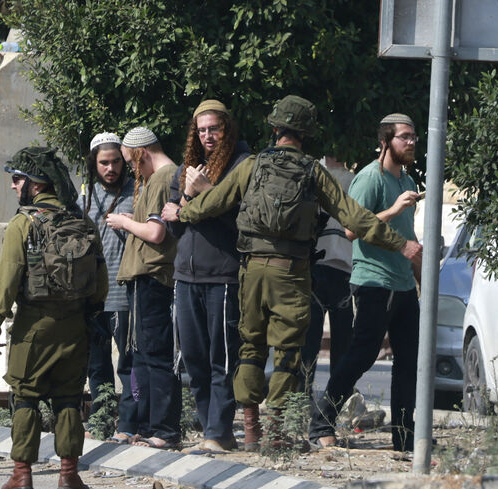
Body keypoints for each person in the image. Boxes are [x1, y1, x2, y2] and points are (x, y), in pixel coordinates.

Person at [161, 96, 422, 450]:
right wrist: (400, 244)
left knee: (250, 347)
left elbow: (215, 202)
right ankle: (276, 433)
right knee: (287, 352)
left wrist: (182, 211)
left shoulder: (251, 165)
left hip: (250, 271)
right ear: (306, 134)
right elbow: (354, 218)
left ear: (275, 129)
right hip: (292, 272)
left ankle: (250, 429)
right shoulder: (315, 173)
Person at [0, 147, 107, 489]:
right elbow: (100, 281)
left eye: (16, 179)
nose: (13, 186)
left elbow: (7, 276)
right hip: (75, 327)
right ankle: (68, 474)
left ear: (35, 184)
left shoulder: (23, 224)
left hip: (33, 326)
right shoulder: (82, 223)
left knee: (25, 396)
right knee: (69, 398)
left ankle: (22, 475)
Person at [309, 113, 423, 452]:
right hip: (372, 281)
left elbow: (409, 238)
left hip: (403, 285)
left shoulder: (407, 181)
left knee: (408, 362)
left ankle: (403, 438)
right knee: (362, 355)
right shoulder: (370, 179)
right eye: (404, 136)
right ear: (386, 141)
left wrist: (422, 281)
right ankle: (322, 421)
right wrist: (392, 208)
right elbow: (350, 229)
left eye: (414, 136)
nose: (412, 141)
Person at [167, 101, 251, 453]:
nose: (207, 136)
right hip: (186, 276)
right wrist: (187, 194)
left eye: (213, 128)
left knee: (223, 360)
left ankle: (217, 433)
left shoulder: (243, 165)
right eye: (201, 130)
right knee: (194, 361)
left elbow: (243, 223)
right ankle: (211, 431)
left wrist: (202, 196)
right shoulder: (187, 169)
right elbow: (172, 222)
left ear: (227, 128)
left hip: (224, 277)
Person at [107, 127, 182, 450]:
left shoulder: (164, 178)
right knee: (143, 355)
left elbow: (155, 233)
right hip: (144, 278)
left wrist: (124, 223)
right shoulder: (157, 178)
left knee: (156, 355)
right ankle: (150, 425)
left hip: (154, 277)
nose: (132, 170)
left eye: (130, 162)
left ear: (142, 154)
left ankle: (164, 429)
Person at [79, 132, 136, 441]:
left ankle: (128, 425)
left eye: (116, 162)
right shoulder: (85, 195)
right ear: (94, 163)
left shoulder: (136, 191)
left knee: (129, 366)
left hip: (125, 293)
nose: (110, 168)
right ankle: (100, 422)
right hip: (93, 296)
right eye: (104, 163)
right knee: (97, 366)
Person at [301, 156, 356, 398]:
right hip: (335, 264)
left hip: (327, 265)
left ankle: (313, 402)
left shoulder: (312, 171)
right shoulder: (350, 179)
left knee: (312, 343)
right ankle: (334, 402)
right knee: (335, 344)